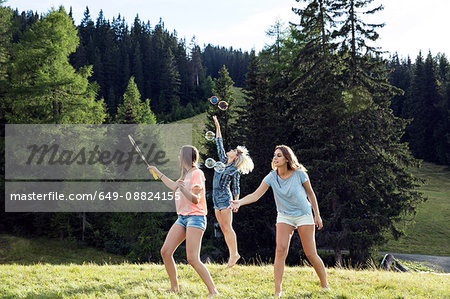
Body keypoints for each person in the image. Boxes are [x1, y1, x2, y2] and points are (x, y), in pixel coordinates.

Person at [230, 145, 328, 297]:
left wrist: (317, 214)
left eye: (279, 156)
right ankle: (278, 292)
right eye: (274, 155)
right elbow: (255, 195)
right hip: (284, 215)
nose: (275, 158)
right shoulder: (271, 177)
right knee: (280, 250)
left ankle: (325, 286)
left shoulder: (299, 173)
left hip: (303, 214)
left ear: (287, 159)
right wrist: (239, 202)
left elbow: (311, 193)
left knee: (310, 253)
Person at [148, 145, 219, 298]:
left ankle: (213, 291)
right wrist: (157, 172)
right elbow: (174, 186)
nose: (178, 158)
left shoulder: (197, 174)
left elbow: (196, 199)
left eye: (180, 155)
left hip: (196, 217)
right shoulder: (184, 175)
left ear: (186, 157)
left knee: (192, 258)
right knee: (165, 252)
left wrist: (183, 189)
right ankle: (174, 288)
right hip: (182, 217)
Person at [212, 115, 254, 268]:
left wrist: (236, 202)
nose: (230, 150)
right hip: (216, 198)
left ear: (236, 156)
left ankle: (234, 254)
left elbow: (236, 187)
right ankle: (233, 254)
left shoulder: (234, 169)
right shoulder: (223, 160)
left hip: (225, 198)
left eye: (234, 150)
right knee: (223, 228)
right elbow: (219, 142)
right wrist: (217, 125)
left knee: (228, 227)